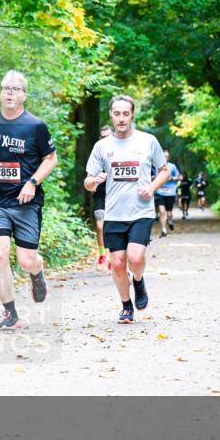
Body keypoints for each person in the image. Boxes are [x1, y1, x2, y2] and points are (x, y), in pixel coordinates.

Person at [0, 70, 58, 330]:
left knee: (26, 260)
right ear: (0, 92)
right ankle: (10, 313)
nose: (9, 93)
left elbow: (50, 159)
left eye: (15, 89)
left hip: (26, 202)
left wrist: (32, 183)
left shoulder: (36, 126)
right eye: (5, 88)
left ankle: (37, 272)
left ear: (24, 95)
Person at [84, 95, 169, 324]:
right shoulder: (102, 147)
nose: (121, 119)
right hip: (114, 213)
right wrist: (95, 181)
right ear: (111, 116)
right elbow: (88, 181)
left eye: (125, 114)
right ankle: (126, 305)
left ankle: (139, 281)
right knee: (119, 263)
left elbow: (164, 171)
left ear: (132, 115)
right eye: (117, 114)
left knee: (135, 256)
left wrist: (151, 187)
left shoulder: (148, 141)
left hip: (140, 211)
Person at [92, 125, 112, 272]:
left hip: (115, 196)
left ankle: (113, 258)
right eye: (103, 136)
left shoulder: (119, 151)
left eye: (108, 136)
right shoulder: (97, 153)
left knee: (112, 227)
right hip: (100, 194)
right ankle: (102, 255)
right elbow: (90, 173)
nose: (105, 139)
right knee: (100, 226)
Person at [153, 150, 180, 236]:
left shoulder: (172, 166)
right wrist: (156, 178)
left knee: (169, 213)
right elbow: (149, 176)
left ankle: (170, 220)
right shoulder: (156, 166)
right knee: (162, 211)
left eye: (167, 156)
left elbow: (179, 177)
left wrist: (171, 178)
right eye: (164, 156)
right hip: (159, 192)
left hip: (170, 193)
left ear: (168, 158)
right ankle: (164, 230)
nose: (165, 158)